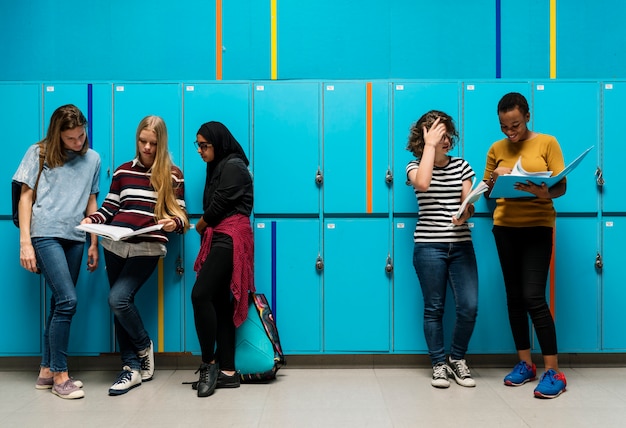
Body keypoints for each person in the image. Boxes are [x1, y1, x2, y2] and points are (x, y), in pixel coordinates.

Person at [81, 115, 188, 396]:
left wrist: (171, 223)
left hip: (147, 246)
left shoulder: (173, 174)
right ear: (137, 139)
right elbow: (109, 208)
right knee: (119, 305)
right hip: (115, 244)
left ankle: (142, 346)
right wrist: (94, 220)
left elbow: (182, 217)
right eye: (143, 141)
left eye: (153, 143)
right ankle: (130, 369)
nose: (148, 148)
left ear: (161, 143)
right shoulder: (122, 172)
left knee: (118, 299)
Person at [13, 104, 101, 399]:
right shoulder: (38, 153)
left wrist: (93, 243)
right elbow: (25, 198)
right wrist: (25, 241)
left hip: (76, 237)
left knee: (57, 304)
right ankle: (61, 375)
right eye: (71, 139)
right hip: (45, 234)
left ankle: (46, 370)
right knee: (67, 300)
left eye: (81, 135)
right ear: (57, 135)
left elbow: (91, 202)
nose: (78, 143)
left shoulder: (93, 159)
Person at [483, 92, 567, 399]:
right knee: (514, 298)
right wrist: (495, 177)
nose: (510, 132)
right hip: (505, 229)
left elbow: (561, 184)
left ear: (527, 116)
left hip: (537, 228)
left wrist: (543, 192)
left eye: (515, 124)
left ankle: (554, 371)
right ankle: (525, 364)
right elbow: (489, 192)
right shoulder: (496, 149)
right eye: (505, 126)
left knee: (534, 296)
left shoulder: (547, 143)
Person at [406, 110, 479, 389]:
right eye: (440, 134)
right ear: (425, 136)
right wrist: (430, 146)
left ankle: (457, 359)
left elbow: (468, 204)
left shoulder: (462, 166)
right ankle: (438, 364)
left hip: (461, 244)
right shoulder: (413, 167)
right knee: (434, 308)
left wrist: (466, 213)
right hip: (428, 246)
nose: (446, 140)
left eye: (448, 134)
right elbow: (423, 183)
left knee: (469, 306)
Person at [190, 121, 254, 398]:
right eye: (199, 146)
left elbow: (218, 206)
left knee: (200, 294)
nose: (201, 151)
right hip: (222, 236)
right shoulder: (218, 166)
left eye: (205, 145)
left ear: (219, 142)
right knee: (217, 302)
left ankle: (209, 363)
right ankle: (228, 371)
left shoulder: (233, 165)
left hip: (231, 236)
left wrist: (201, 225)